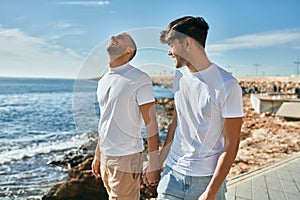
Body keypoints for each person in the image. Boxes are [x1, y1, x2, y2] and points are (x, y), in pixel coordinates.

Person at [157, 16, 244, 200]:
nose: (169, 52)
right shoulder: (179, 77)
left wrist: (211, 192)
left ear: (187, 42)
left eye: (171, 45)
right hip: (172, 174)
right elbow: (176, 123)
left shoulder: (228, 85)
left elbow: (231, 144)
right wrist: (158, 163)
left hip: (205, 181)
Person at [91, 32, 160, 200]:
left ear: (130, 50)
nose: (113, 37)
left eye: (120, 38)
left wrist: (153, 164)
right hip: (107, 157)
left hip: (126, 158)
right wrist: (98, 155)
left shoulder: (139, 78)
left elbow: (151, 123)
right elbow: (105, 121)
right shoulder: (104, 80)